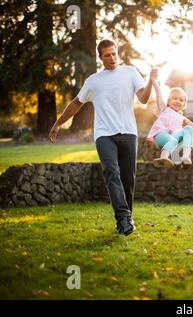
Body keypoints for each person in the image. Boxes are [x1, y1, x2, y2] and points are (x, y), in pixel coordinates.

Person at [49, 39, 153, 236]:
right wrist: (57, 123)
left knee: (127, 178)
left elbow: (144, 98)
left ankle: (127, 218)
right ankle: (122, 219)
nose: (112, 58)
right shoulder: (93, 81)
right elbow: (75, 104)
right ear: (101, 57)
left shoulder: (130, 73)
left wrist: (151, 81)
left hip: (129, 133)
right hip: (104, 135)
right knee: (111, 173)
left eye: (114, 53)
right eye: (107, 55)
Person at [146, 69, 193, 168]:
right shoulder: (164, 109)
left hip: (173, 140)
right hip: (161, 137)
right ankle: (163, 158)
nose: (177, 101)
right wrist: (153, 79)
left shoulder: (182, 118)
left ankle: (185, 158)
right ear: (169, 100)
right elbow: (158, 91)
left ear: (184, 105)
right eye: (175, 98)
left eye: (181, 100)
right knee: (173, 140)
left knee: (189, 129)